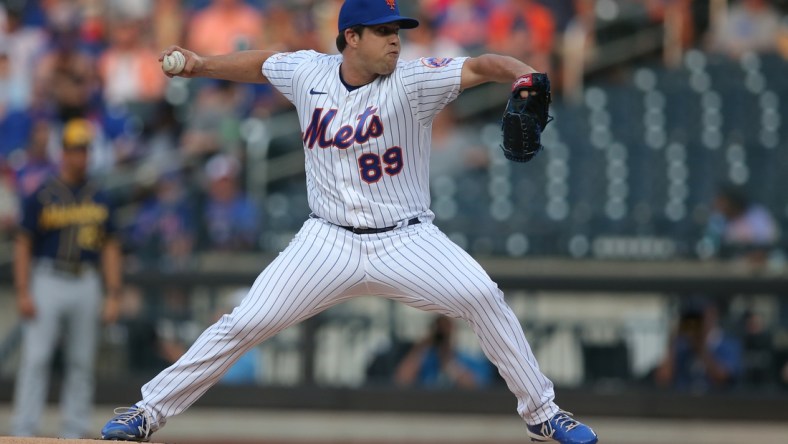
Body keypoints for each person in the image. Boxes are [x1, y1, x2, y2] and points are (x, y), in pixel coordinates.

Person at [100, 1, 598, 443]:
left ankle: (543, 415)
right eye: (383, 32)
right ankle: (148, 411)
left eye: (397, 31)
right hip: (327, 240)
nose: (395, 40)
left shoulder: (414, 79)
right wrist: (201, 63)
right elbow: (261, 64)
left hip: (407, 238)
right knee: (244, 322)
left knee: (484, 297)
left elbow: (483, 64)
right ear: (351, 39)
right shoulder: (308, 71)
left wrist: (524, 73)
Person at [13, 118, 122, 438]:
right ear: (63, 152)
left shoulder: (100, 196)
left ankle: (74, 430)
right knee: (36, 358)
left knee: (81, 361)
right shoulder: (43, 194)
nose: (80, 156)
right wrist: (22, 290)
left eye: (85, 149)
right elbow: (23, 243)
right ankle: (23, 429)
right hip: (48, 277)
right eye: (75, 149)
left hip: (87, 281)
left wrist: (113, 293)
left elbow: (111, 247)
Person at [653, 301, 743, 392]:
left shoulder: (727, 344)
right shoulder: (682, 346)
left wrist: (700, 348)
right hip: (683, 402)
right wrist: (672, 341)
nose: (695, 322)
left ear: (712, 314)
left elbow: (723, 379)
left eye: (700, 316)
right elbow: (663, 379)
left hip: (716, 403)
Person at [394, 315, 493, 389]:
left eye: (447, 332)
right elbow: (401, 380)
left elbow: (477, 388)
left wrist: (449, 362)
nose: (443, 336)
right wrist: (424, 345)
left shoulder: (469, 359)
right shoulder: (426, 360)